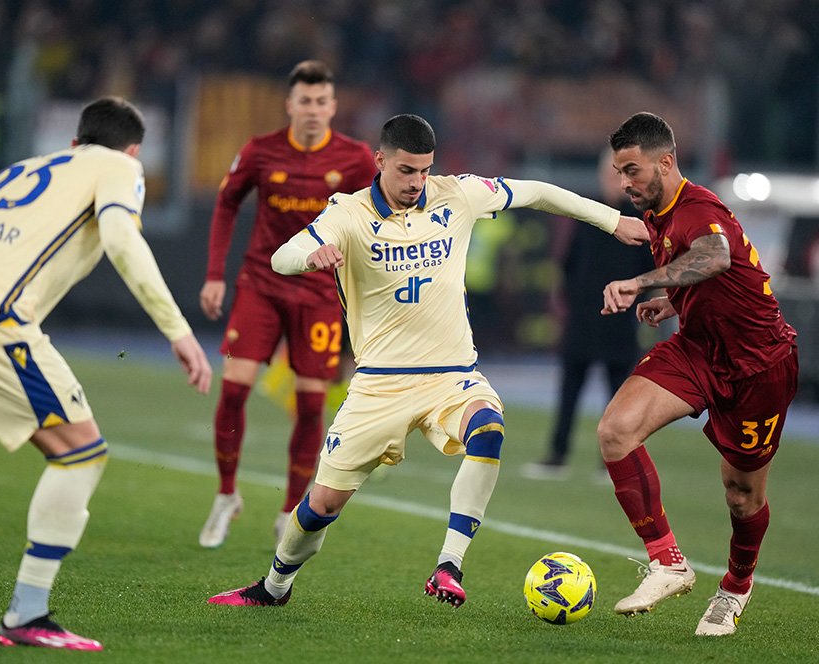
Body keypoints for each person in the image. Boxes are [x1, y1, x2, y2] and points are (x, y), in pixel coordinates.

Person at [206, 113, 649, 609]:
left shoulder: (457, 194)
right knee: (321, 506)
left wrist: (612, 220)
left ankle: (449, 565)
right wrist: (312, 257)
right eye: (406, 171)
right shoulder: (347, 214)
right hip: (378, 385)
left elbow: (539, 192)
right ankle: (274, 586)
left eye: (424, 170)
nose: (417, 182)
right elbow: (280, 257)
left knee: (489, 430)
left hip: (451, 377)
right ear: (380, 162)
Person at [0, 96, 212, 650]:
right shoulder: (121, 167)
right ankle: (27, 614)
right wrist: (176, 329)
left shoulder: (15, 170)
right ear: (134, 149)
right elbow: (121, 238)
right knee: (79, 452)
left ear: (75, 140)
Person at [599, 112, 798, 636]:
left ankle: (734, 587)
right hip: (696, 350)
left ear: (666, 161)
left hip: (759, 365)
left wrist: (639, 282)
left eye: (633, 170)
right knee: (615, 431)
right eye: (621, 172)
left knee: (741, 494)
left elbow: (715, 255)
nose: (625, 183)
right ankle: (667, 562)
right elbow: (714, 274)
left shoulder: (696, 208)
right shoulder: (659, 211)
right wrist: (671, 299)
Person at [198, 60, 377, 549]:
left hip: (318, 294)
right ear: (290, 104)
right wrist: (215, 275)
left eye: (322, 102)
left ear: (333, 106)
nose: (314, 110)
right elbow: (227, 203)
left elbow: (379, 211)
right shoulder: (260, 151)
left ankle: (289, 509)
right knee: (234, 389)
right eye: (306, 101)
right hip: (261, 284)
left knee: (310, 403)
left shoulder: (356, 158)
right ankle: (226, 495)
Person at [522, 149, 655, 481]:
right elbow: (570, 264)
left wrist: (634, 299)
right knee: (569, 391)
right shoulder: (589, 215)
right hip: (582, 320)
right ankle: (558, 455)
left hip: (618, 322)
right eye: (609, 175)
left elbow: (650, 270)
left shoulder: (638, 220)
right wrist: (569, 301)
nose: (612, 182)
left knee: (620, 399)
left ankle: (614, 464)